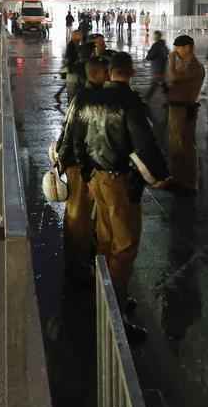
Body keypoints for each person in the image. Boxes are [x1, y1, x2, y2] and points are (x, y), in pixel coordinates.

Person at [63, 53, 168, 341]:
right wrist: (161, 176)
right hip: (119, 181)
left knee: (105, 240)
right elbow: (145, 145)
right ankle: (114, 315)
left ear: (110, 73)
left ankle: (104, 296)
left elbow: (76, 138)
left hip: (95, 178)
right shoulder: (129, 102)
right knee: (124, 248)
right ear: (131, 72)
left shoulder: (89, 99)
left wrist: (83, 170)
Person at [53, 57, 110, 280]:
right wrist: (85, 169)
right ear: (95, 74)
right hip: (79, 164)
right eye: (105, 72)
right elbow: (77, 138)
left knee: (77, 213)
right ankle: (78, 266)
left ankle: (77, 259)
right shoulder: (90, 99)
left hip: (74, 162)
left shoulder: (81, 96)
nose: (108, 76)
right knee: (78, 215)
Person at [160, 35, 204, 194]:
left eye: (177, 47)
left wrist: (171, 61)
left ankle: (189, 182)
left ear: (187, 47)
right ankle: (178, 178)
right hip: (177, 108)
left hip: (184, 109)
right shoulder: (185, 64)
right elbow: (171, 81)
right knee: (176, 145)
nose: (175, 51)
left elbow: (172, 77)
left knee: (184, 145)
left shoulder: (194, 66)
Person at [56, 28, 85, 103]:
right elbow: (70, 58)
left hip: (74, 69)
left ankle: (59, 94)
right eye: (79, 35)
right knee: (72, 87)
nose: (81, 36)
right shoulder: (71, 45)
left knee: (71, 85)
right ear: (76, 36)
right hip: (72, 69)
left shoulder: (77, 43)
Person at [144, 30, 169, 100]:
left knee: (154, 85)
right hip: (162, 68)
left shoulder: (156, 45)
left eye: (154, 35)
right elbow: (166, 55)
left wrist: (149, 53)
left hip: (157, 69)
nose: (153, 37)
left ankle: (146, 99)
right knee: (163, 85)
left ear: (156, 36)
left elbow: (149, 57)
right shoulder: (163, 45)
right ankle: (170, 98)